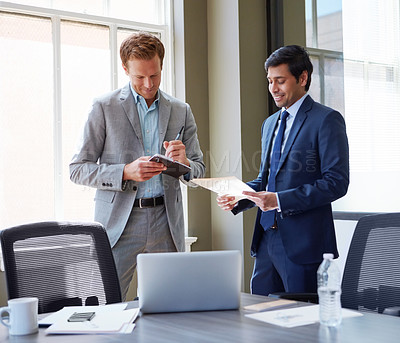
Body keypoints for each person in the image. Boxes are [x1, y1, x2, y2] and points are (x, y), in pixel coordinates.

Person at [70, 32, 205, 300]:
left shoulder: (181, 110)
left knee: (167, 308)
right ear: (125, 69)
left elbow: (199, 171)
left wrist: (184, 163)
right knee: (107, 304)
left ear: (161, 66)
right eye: (139, 77)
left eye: (154, 76)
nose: (147, 84)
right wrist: (124, 172)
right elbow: (77, 169)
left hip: (166, 223)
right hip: (120, 224)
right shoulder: (104, 107)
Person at [217, 45, 349, 296]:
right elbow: (266, 180)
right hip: (266, 241)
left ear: (302, 78)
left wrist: (279, 200)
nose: (273, 89)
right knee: (261, 319)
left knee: (303, 327)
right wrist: (240, 195)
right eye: (270, 81)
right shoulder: (270, 124)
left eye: (280, 81)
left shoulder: (326, 120)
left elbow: (336, 182)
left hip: (304, 245)